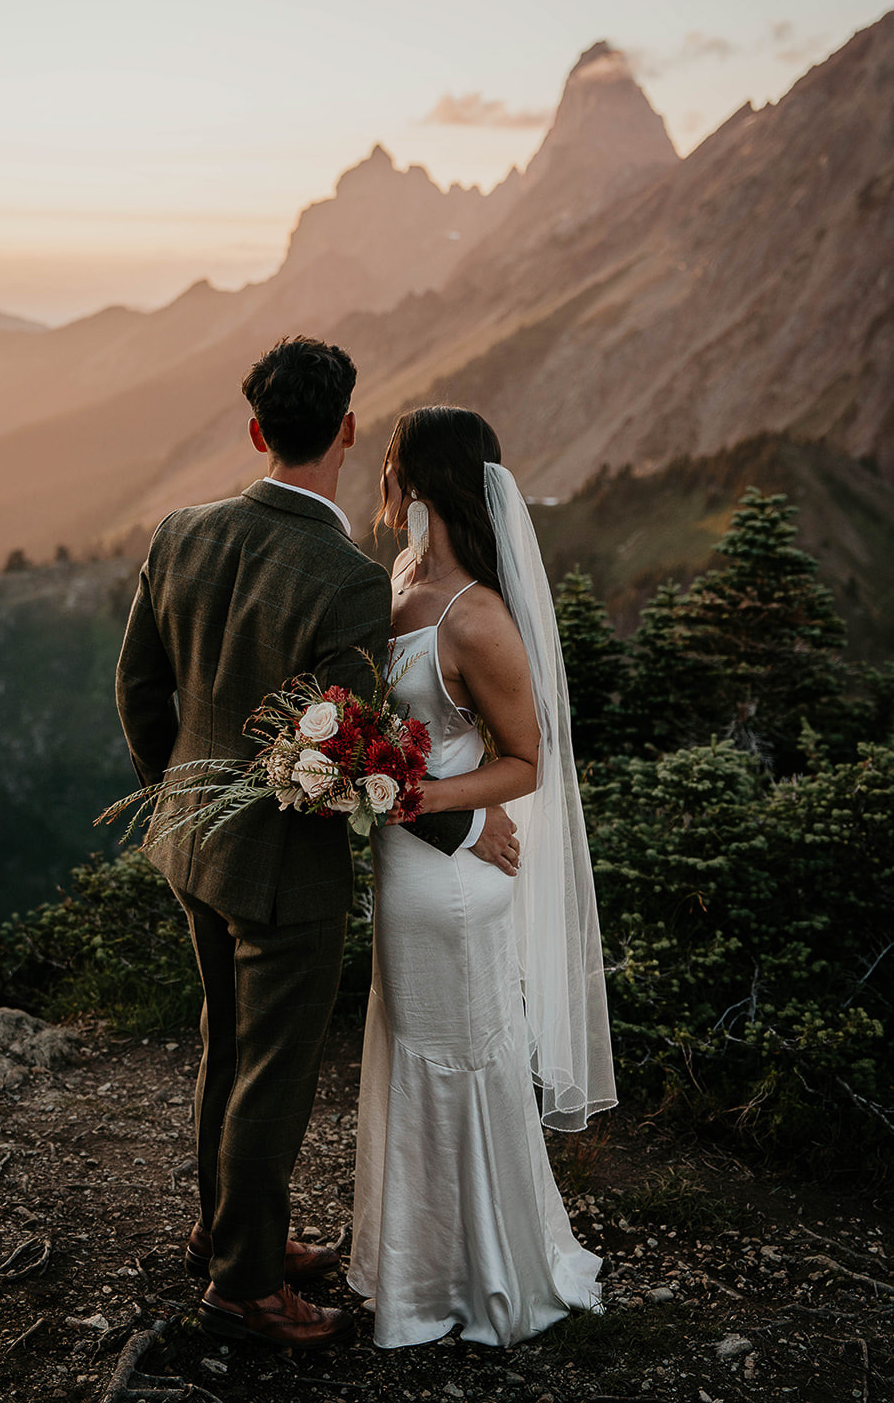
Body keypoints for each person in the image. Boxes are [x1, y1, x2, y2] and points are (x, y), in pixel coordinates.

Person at [115, 341, 518, 1350]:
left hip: (188, 846)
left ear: (255, 431)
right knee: (272, 1073)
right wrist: (466, 817)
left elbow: (139, 690)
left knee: (223, 1047)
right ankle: (246, 1287)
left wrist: (185, 799)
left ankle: (228, 1232)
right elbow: (350, 750)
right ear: (345, 428)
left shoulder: (179, 532)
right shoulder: (342, 578)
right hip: (284, 872)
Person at [348, 406, 617, 1349]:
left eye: (388, 469)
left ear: (417, 484)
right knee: (414, 1051)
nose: (379, 487)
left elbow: (527, 760)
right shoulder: (405, 577)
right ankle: (420, 1270)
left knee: (457, 1064)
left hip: (451, 877)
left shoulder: (481, 616)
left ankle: (488, 1279)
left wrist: (419, 798)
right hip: (405, 860)